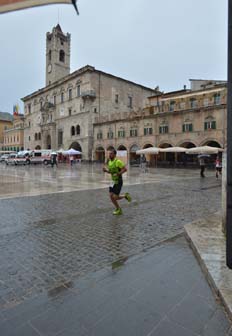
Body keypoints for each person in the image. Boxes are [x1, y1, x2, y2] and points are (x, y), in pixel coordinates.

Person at [103, 149, 132, 215]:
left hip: (118, 181)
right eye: (109, 153)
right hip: (112, 181)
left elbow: (125, 169)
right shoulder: (109, 162)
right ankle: (118, 209)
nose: (110, 155)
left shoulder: (118, 161)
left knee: (115, 197)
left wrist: (118, 174)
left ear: (115, 155)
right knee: (110, 196)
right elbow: (111, 172)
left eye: (111, 153)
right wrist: (106, 171)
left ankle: (125, 196)